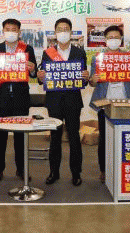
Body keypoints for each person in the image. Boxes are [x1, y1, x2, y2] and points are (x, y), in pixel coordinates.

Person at [0, 18, 37, 182]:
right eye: (8, 29)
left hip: (20, 98)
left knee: (20, 137)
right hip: (2, 98)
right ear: (3, 31)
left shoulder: (27, 49)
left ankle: (21, 169)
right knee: (0, 136)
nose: (11, 32)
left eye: (14, 29)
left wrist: (33, 69)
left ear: (19, 32)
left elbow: (34, 73)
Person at [37, 18, 89, 186]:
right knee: (55, 137)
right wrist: (40, 76)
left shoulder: (79, 52)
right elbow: (42, 75)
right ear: (55, 32)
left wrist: (86, 77)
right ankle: (54, 172)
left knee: (74, 137)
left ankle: (76, 173)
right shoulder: (48, 52)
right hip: (54, 101)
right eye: (60, 29)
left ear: (71, 32)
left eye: (66, 29)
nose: (63, 32)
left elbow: (83, 78)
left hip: (73, 101)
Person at [89, 25, 130, 183]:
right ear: (105, 40)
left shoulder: (128, 57)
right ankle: (104, 170)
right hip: (105, 103)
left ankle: (125, 168)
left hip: (126, 103)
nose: (113, 40)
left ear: (121, 39)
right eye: (110, 38)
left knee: (125, 138)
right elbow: (91, 82)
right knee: (104, 139)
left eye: (116, 37)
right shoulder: (97, 58)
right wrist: (93, 80)